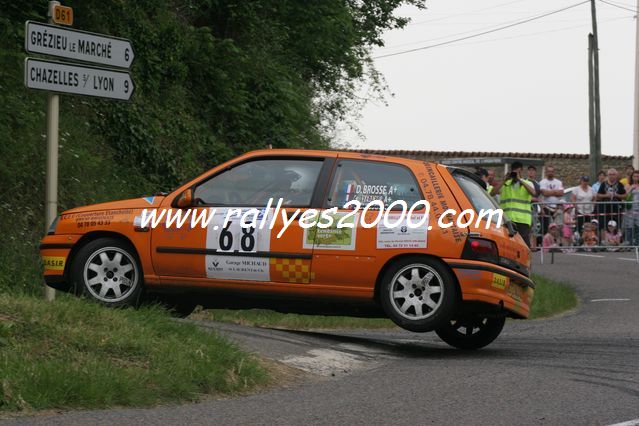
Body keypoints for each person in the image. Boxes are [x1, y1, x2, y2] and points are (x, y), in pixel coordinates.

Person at [500, 161, 536, 247]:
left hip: (522, 220)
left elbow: (533, 193)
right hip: (507, 219)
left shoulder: (528, 183)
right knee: (508, 244)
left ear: (521, 171)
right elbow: (493, 193)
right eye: (514, 172)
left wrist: (520, 180)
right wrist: (504, 180)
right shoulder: (506, 184)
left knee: (524, 245)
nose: (516, 174)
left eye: (518, 172)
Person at [539, 165, 564, 237]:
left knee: (557, 228)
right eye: (549, 171)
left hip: (556, 208)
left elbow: (561, 193)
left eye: (552, 171)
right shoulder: (542, 182)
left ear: (554, 172)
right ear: (546, 172)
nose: (550, 173)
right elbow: (544, 193)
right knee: (545, 228)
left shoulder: (559, 182)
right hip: (546, 207)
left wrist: (549, 192)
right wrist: (555, 192)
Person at [526, 165, 542, 248]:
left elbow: (539, 197)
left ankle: (534, 246)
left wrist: (542, 209)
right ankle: (528, 245)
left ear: (535, 172)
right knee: (528, 227)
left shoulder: (537, 184)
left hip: (535, 209)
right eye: (529, 170)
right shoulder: (525, 182)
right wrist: (533, 199)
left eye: (533, 170)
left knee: (534, 227)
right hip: (527, 208)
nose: (531, 172)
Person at [623, 169, 639, 246]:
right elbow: (624, 196)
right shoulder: (628, 185)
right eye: (634, 176)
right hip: (630, 209)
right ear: (632, 177)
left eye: (637, 176)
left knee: (638, 227)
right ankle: (629, 243)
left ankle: (637, 244)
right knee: (629, 227)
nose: (636, 178)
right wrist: (630, 189)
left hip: (638, 209)